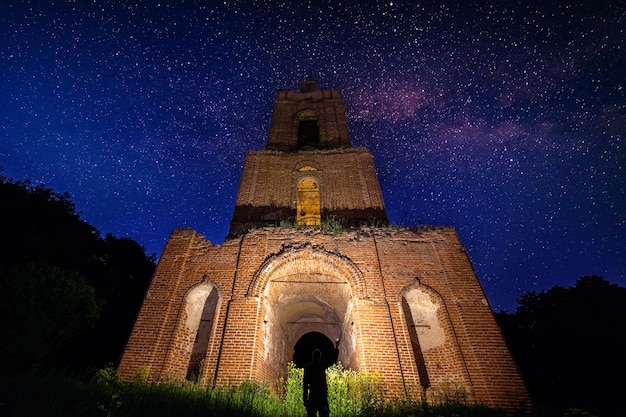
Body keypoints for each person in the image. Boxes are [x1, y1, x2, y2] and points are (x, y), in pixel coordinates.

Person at [302, 340, 339, 417]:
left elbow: (305, 383)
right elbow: (332, 360)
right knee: (324, 414)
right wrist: (336, 347)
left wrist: (305, 398)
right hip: (322, 395)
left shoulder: (308, 367)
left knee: (311, 414)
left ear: (313, 356)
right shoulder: (322, 365)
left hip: (313, 395)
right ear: (320, 357)